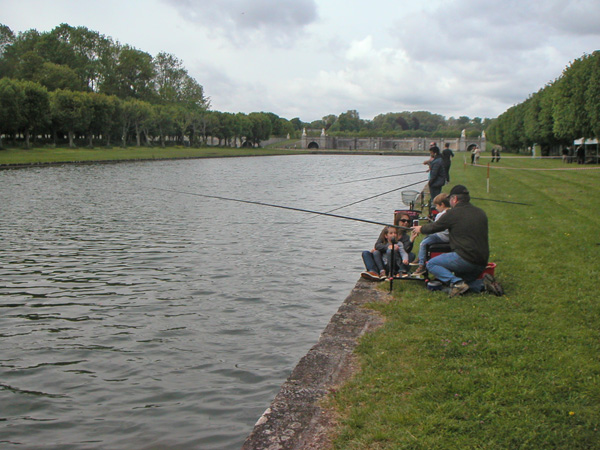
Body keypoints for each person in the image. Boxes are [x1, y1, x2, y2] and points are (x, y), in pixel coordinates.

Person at [412, 185, 503, 297]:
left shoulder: (452, 213)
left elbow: (434, 227)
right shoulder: (480, 213)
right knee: (467, 284)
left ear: (454, 199)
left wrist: (420, 228)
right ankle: (483, 285)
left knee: (431, 264)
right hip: (481, 261)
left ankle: (457, 283)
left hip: (465, 258)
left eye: (450, 199)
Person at [411, 193, 450, 277]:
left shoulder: (440, 215)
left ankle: (421, 265)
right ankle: (421, 257)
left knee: (423, 243)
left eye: (437, 206)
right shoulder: (451, 212)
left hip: (443, 237)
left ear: (442, 205)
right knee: (427, 238)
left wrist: (421, 229)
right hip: (448, 237)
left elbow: (434, 229)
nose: (436, 208)